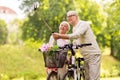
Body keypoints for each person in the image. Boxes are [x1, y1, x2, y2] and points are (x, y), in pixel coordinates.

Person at [52, 10, 101, 80]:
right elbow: (75, 42)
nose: (68, 18)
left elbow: (76, 35)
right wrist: (71, 54)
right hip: (85, 56)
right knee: (87, 78)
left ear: (76, 16)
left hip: (93, 54)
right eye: (67, 17)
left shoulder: (83, 24)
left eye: (70, 16)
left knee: (93, 78)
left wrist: (60, 36)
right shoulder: (74, 28)